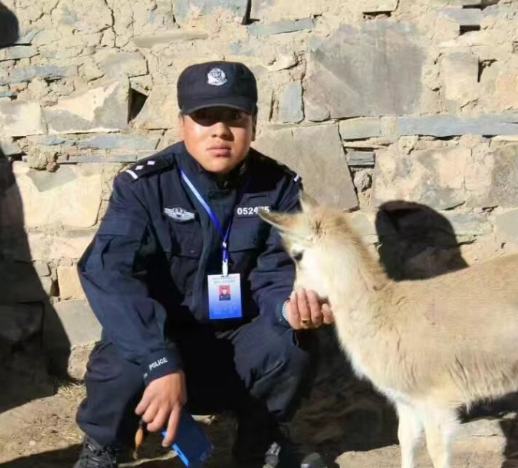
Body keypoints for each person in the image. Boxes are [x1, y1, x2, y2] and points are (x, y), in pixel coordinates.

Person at [72, 61, 334, 468]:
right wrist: (159, 358)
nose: (220, 131)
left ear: (253, 123)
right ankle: (103, 449)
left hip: (238, 342)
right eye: (205, 117)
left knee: (291, 343)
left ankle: (260, 445)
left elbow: (276, 273)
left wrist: (290, 309)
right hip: (163, 339)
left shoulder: (279, 187)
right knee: (123, 358)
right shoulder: (144, 187)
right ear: (183, 125)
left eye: (235, 117)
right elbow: (109, 273)